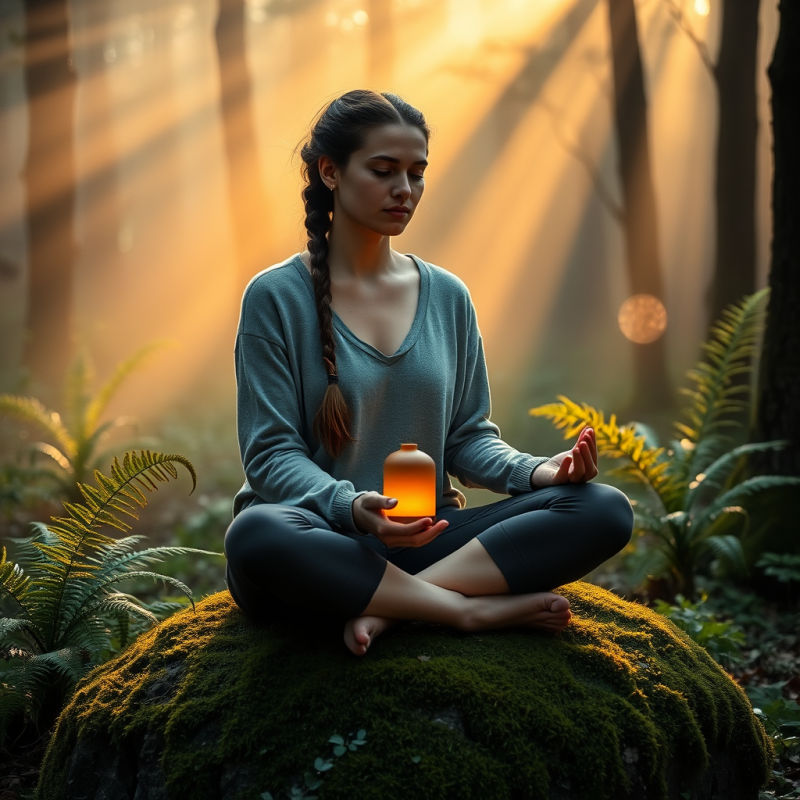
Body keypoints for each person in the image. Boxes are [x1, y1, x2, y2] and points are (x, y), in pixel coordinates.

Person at [224, 89, 633, 656]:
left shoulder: (447, 296)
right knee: (255, 533)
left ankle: (394, 609)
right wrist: (351, 508)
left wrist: (542, 473)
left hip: (428, 540)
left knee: (603, 508)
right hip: (320, 545)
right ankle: (461, 611)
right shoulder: (275, 297)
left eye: (417, 173)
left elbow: (467, 439)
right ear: (330, 172)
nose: (405, 190)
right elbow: (270, 455)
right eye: (384, 170)